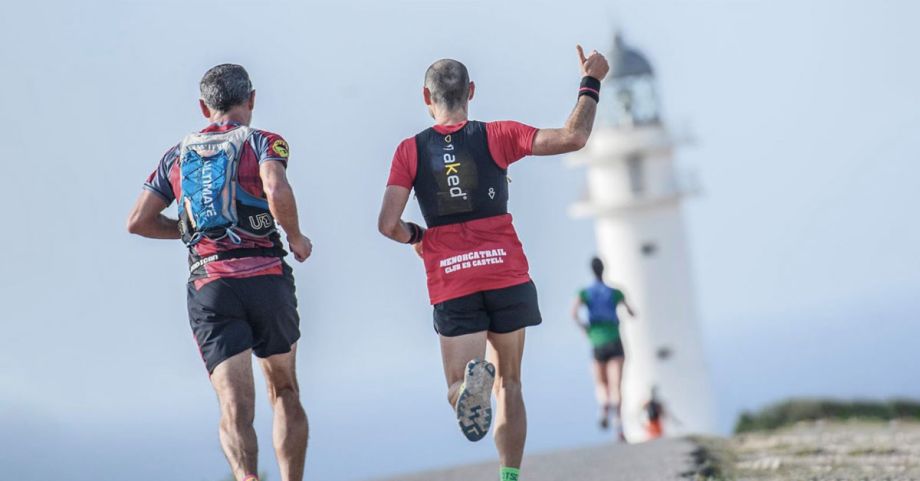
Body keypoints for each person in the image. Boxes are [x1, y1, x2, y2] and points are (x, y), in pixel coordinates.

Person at [378, 47, 609, 481]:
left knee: (459, 386)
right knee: (511, 384)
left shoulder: (410, 151)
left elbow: (388, 224)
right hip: (506, 271)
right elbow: (573, 137)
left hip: (452, 279)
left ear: (426, 98)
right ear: (471, 91)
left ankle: (466, 391)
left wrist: (419, 237)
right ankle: (509, 477)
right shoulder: (498, 134)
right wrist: (590, 81)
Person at [127, 64, 312, 481]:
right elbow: (275, 187)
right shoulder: (263, 141)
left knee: (234, 407)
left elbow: (137, 220)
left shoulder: (176, 155)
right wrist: (296, 237)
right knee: (284, 389)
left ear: (203, 106)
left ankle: (247, 478)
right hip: (266, 277)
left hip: (211, 285)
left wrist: (190, 231)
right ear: (251, 99)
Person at [571, 257, 636, 439]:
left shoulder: (585, 293)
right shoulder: (615, 292)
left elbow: (573, 313)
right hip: (614, 339)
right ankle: (618, 424)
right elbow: (631, 311)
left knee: (601, 384)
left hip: (596, 341)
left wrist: (584, 327)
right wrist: (630, 313)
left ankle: (604, 405)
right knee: (616, 385)